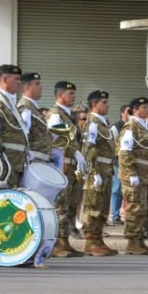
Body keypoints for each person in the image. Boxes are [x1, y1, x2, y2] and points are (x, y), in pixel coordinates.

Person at [48, 80, 87, 257]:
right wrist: (75, 152)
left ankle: (65, 242)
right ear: (59, 95)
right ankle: (56, 243)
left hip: (71, 167)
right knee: (60, 206)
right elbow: (57, 139)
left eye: (74, 93)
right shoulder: (56, 114)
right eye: (70, 94)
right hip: (61, 165)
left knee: (71, 204)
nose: (73, 96)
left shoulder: (68, 115)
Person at [118, 97, 148, 254]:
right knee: (136, 209)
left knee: (146, 210)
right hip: (135, 177)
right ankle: (133, 242)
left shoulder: (144, 127)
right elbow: (125, 152)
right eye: (144, 107)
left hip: (146, 177)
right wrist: (131, 173)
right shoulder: (131, 127)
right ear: (135, 110)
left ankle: (140, 240)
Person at [81, 90, 117, 256]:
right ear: (94, 105)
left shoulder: (104, 122)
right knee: (93, 207)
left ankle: (98, 239)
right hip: (97, 170)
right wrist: (94, 172)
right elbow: (89, 149)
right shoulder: (93, 122)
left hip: (107, 169)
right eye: (104, 102)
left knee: (102, 207)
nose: (107, 105)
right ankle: (90, 241)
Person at [0, 65, 27, 191]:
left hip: (14, 162)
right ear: (5, 80)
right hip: (5, 163)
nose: (19, 83)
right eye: (16, 79)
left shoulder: (9, 102)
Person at [110, 104, 131, 226]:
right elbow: (112, 145)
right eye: (128, 112)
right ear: (122, 113)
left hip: (130, 163)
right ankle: (115, 215)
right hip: (119, 162)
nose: (130, 114)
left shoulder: (133, 126)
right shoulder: (116, 127)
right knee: (117, 189)